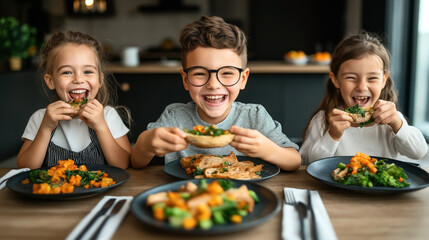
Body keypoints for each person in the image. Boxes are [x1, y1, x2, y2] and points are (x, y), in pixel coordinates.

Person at [131, 16, 301, 170]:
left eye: (227, 73)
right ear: (185, 79)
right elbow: (136, 162)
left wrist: (267, 149)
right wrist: (145, 144)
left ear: (243, 79)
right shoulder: (174, 116)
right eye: (199, 73)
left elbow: (294, 161)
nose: (213, 85)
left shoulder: (254, 116)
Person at [299, 31, 427, 165]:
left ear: (383, 80)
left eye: (372, 78)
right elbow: (307, 162)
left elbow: (419, 152)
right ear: (335, 80)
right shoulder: (323, 120)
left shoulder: (391, 120)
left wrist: (398, 125)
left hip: (380, 186)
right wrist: (332, 136)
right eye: (351, 78)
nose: (361, 87)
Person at [17, 30, 131, 169]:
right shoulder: (40, 118)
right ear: (51, 81)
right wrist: (46, 128)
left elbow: (123, 164)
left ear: (100, 80)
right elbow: (25, 167)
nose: (78, 79)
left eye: (88, 71)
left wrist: (101, 126)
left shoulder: (108, 116)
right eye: (67, 72)